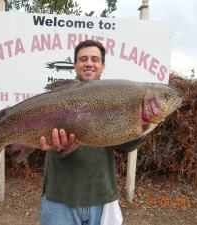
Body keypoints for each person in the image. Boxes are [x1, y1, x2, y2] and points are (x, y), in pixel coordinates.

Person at [39, 40, 146, 225]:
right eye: (83, 59)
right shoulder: (57, 97)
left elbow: (128, 145)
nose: (89, 63)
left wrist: (142, 124)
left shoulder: (115, 96)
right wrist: (58, 149)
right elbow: (50, 145)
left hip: (102, 197)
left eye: (95, 59)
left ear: (103, 66)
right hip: (60, 197)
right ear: (75, 65)